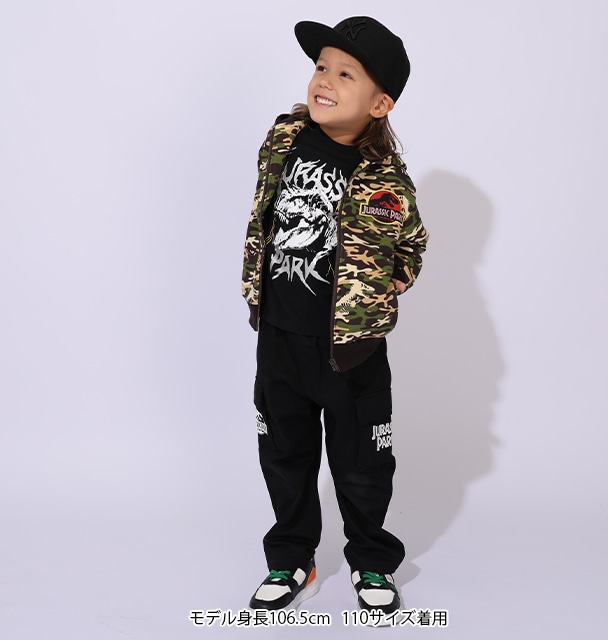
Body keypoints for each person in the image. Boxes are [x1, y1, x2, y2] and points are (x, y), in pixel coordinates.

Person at [241, 16, 428, 615]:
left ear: (380, 103)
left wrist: (381, 293)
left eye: (346, 74)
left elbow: (412, 246)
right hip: (280, 335)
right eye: (322, 67)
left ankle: (371, 559)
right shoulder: (283, 141)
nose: (325, 80)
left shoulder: (386, 181)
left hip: (351, 349)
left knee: (362, 462)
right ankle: (293, 556)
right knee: (285, 454)